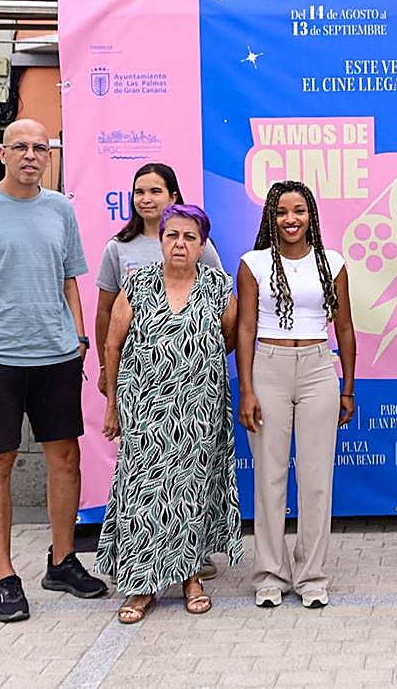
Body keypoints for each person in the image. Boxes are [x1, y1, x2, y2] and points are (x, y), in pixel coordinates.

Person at [0, 118, 107, 623]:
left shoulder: (60, 210)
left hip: (55, 358)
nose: (32, 155)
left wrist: (77, 338)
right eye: (21, 147)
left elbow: (71, 281)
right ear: (2, 154)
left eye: (41, 147)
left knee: (66, 460)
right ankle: (4, 575)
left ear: (49, 157)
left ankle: (61, 562)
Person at [97, 204, 243, 624]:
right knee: (143, 495)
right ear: (160, 240)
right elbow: (113, 344)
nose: (180, 244)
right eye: (172, 236)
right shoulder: (138, 283)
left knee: (192, 494)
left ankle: (191, 578)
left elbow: (229, 337)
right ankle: (141, 586)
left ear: (202, 245)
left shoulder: (218, 286)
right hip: (144, 410)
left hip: (199, 411)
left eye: (189, 238)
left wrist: (193, 366)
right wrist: (112, 405)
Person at [93, 162, 223, 580]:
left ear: (173, 196)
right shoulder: (120, 249)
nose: (145, 198)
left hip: (194, 395)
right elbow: (107, 321)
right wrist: (106, 371)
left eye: (155, 191)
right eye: (139, 191)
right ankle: (141, 573)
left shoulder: (205, 247)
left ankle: (189, 564)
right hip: (143, 391)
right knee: (142, 481)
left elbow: (222, 319)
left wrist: (197, 357)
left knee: (189, 481)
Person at [236, 180, 357, 610]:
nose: (291, 219)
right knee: (269, 478)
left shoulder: (333, 262)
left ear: (311, 216)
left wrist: (348, 387)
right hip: (267, 368)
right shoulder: (253, 263)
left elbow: (343, 328)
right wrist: (246, 388)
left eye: (299, 211)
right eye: (283, 211)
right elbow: (245, 329)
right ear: (271, 216)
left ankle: (311, 576)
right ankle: (269, 574)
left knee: (316, 479)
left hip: (317, 368)